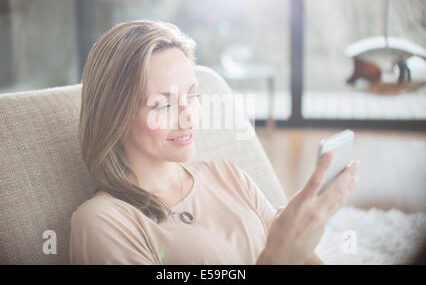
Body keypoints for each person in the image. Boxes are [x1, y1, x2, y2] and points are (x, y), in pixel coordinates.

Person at [70, 20, 360, 265]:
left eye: (192, 96)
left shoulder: (229, 175)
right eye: (162, 105)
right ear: (115, 116)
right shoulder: (103, 222)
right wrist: (280, 255)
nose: (189, 117)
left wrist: (301, 240)